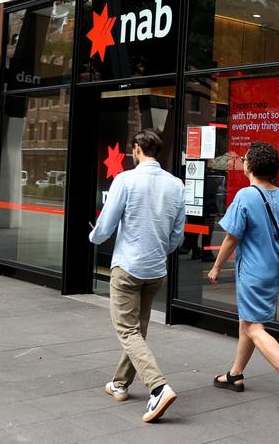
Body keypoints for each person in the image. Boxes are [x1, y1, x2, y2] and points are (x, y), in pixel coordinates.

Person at [89, 128, 185, 423]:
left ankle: (158, 387)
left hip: (128, 267)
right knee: (137, 331)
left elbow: (107, 224)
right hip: (156, 269)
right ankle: (120, 384)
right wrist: (159, 249)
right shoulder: (176, 185)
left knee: (128, 331)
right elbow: (177, 235)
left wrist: (94, 236)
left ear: (137, 149)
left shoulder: (126, 179)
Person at [208, 141, 279, 408]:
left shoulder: (246, 195)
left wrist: (217, 266)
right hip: (271, 270)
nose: (242, 162)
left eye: (244, 159)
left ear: (250, 165)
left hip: (252, 272)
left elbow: (231, 237)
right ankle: (235, 375)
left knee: (254, 327)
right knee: (247, 323)